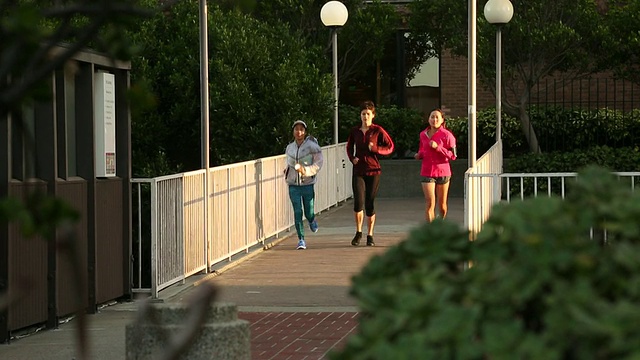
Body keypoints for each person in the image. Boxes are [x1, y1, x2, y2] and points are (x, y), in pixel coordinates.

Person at [346, 100, 395, 247]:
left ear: (373, 115)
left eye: (368, 114)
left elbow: (390, 146)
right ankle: (358, 232)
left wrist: (377, 150)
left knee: (369, 203)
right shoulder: (355, 131)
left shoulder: (377, 130)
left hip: (373, 170)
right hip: (358, 170)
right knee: (358, 202)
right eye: (363, 114)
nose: (365, 116)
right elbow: (349, 147)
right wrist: (352, 158)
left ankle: (370, 235)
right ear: (360, 116)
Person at [284, 120, 324, 250]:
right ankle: (301, 239)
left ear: (305, 131)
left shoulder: (312, 146)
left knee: (308, 211)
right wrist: (287, 171)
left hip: (307, 184)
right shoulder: (290, 147)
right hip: (293, 184)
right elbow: (289, 162)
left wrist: (305, 171)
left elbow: (318, 164)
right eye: (296, 129)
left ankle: (312, 220)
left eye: (301, 129)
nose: (298, 132)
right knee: (297, 211)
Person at [414, 108, 457, 222]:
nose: (434, 119)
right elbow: (422, 150)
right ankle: (431, 231)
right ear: (428, 119)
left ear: (442, 120)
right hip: (427, 171)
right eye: (432, 117)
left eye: (437, 117)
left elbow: (453, 155)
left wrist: (438, 148)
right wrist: (419, 155)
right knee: (429, 202)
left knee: (442, 205)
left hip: (443, 171)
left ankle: (441, 222)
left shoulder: (447, 135)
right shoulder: (423, 134)